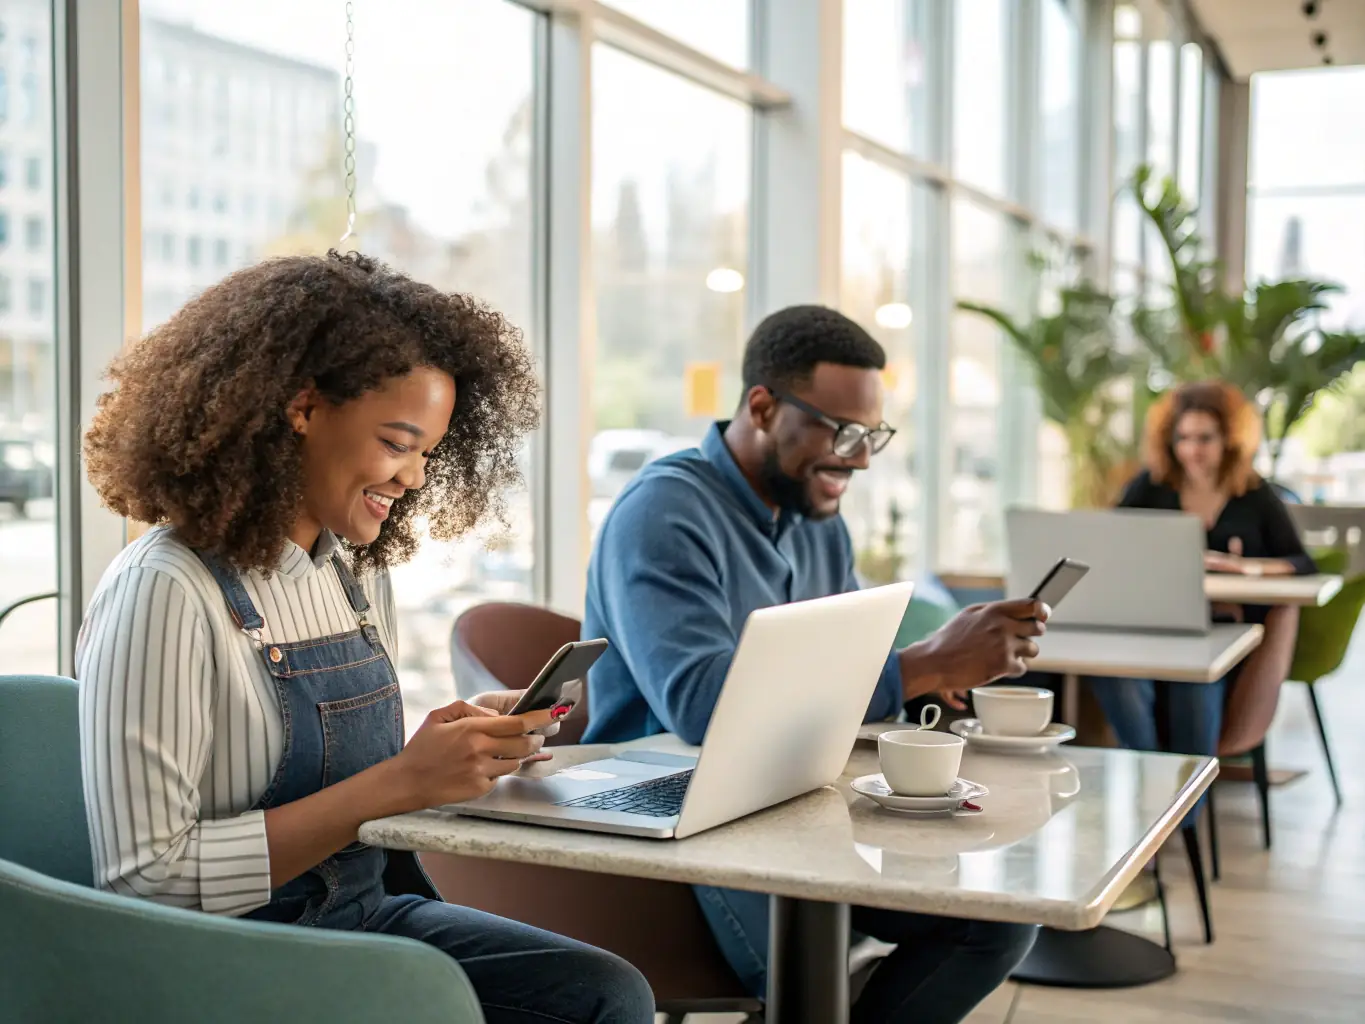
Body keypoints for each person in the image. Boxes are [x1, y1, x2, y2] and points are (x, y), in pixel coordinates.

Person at [78, 252, 655, 1024]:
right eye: (396, 442)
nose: (413, 478)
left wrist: (447, 747)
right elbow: (146, 880)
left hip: (356, 918)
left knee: (605, 993)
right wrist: (401, 782)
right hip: (219, 962)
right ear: (302, 408)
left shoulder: (349, 575)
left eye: (427, 453)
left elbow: (341, 784)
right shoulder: (166, 589)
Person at [581, 305, 1045, 1024]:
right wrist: (918, 665)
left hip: (792, 805)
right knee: (812, 975)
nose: (859, 458)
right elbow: (704, 710)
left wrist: (933, 677)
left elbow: (841, 670)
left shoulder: (813, 521)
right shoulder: (663, 512)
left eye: (871, 435)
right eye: (840, 431)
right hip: (677, 826)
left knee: (994, 922)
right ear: (762, 407)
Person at [1092, 379, 1315, 756]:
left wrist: (1247, 569)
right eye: (1184, 438)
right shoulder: (1151, 486)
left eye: (1205, 438)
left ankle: (1184, 810)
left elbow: (1301, 562)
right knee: (1113, 676)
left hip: (1222, 633)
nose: (1192, 450)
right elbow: (1112, 546)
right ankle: (1158, 796)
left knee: (1193, 684)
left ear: (1229, 438)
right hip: (1154, 626)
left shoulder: (1253, 492)